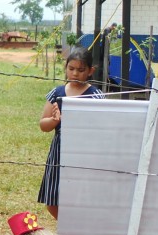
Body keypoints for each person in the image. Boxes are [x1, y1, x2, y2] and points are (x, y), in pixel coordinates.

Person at [37, 47, 103, 220]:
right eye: (71, 69)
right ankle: (69, 228)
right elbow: (43, 125)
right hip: (59, 152)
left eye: (81, 70)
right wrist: (55, 121)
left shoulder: (95, 96)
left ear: (90, 71)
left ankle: (78, 228)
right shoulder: (56, 93)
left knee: (79, 196)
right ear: (65, 68)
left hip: (84, 153)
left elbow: (102, 128)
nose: (75, 74)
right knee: (52, 201)